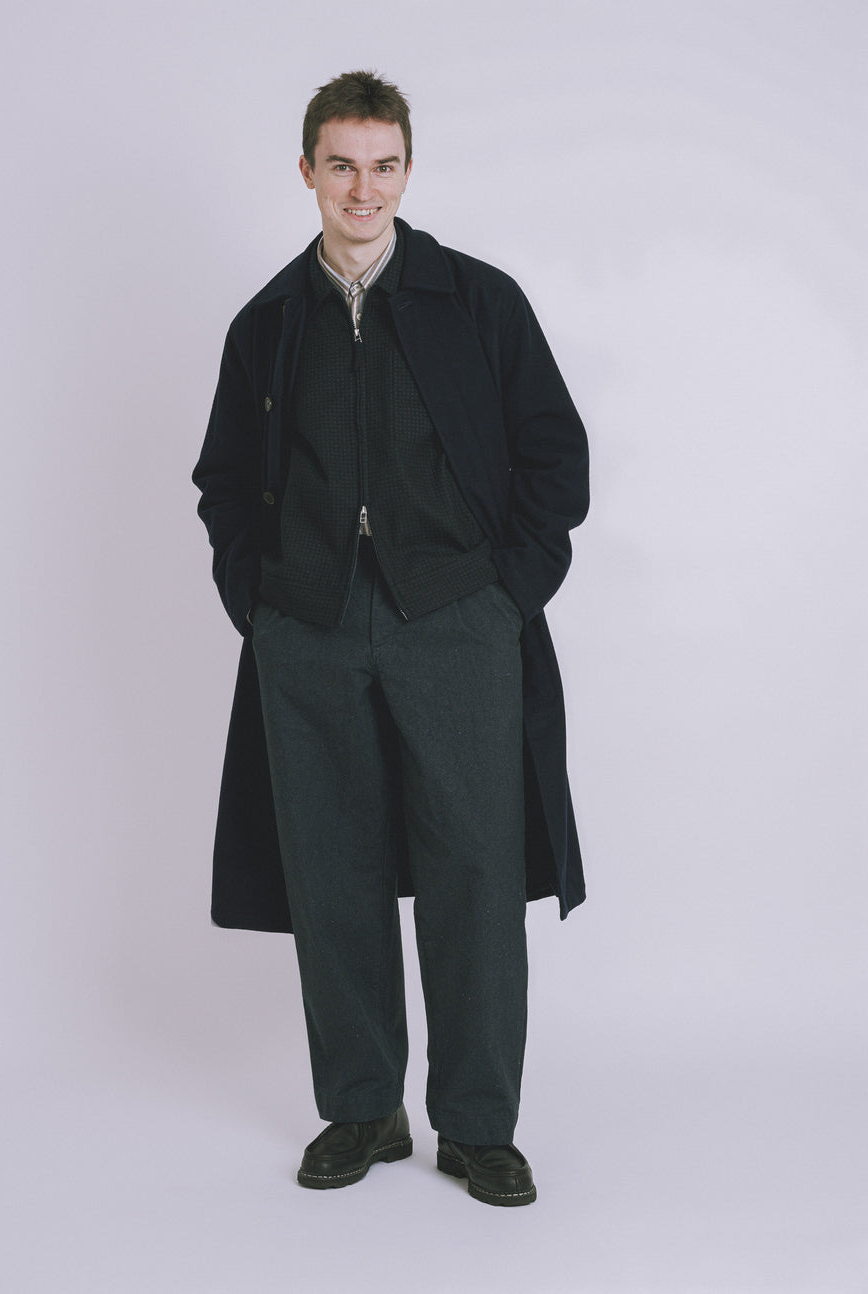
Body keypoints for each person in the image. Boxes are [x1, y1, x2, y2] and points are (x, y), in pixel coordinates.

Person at [192, 70, 589, 1207]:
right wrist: (259, 602)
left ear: (408, 170)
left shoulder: (479, 301)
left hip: (457, 620)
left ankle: (477, 1126)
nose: (362, 189)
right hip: (309, 629)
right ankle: (363, 1110)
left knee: (475, 869)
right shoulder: (268, 322)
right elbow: (224, 481)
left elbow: (555, 457)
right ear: (307, 171)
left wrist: (505, 597)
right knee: (332, 871)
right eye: (341, 165)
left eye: (382, 165)